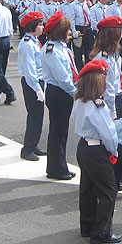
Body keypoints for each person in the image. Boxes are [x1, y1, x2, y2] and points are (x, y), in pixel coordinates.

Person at [72, 59, 121, 244]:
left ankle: (87, 225)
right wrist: (114, 151)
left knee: (88, 188)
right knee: (108, 190)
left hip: (84, 146)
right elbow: (108, 132)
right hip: (97, 149)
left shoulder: (80, 99)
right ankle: (101, 233)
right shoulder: (97, 104)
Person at [41, 11, 78, 180]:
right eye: (68, 29)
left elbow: (72, 71)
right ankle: (56, 168)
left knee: (62, 131)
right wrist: (75, 92)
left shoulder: (62, 47)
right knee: (57, 131)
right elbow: (62, 77)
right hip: (58, 93)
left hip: (64, 92)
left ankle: (60, 165)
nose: (70, 32)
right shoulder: (51, 50)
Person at [17, 11, 47, 161]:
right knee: (35, 116)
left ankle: (33, 144)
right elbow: (30, 70)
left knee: (38, 116)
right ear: (32, 26)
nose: (42, 27)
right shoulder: (28, 44)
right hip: (31, 83)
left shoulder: (34, 41)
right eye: (40, 24)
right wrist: (37, 89)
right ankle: (27, 148)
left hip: (38, 81)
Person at [90, 15, 122, 119]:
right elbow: (107, 88)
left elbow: (118, 80)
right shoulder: (104, 58)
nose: (121, 34)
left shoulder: (114, 53)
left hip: (119, 97)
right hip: (111, 101)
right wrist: (112, 112)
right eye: (120, 31)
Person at [71, 0, 94, 68]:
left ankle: (88, 68)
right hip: (78, 28)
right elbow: (72, 18)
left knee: (89, 49)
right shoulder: (73, 4)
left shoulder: (88, 3)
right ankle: (79, 70)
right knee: (78, 51)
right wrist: (73, 30)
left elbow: (91, 15)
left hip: (87, 27)